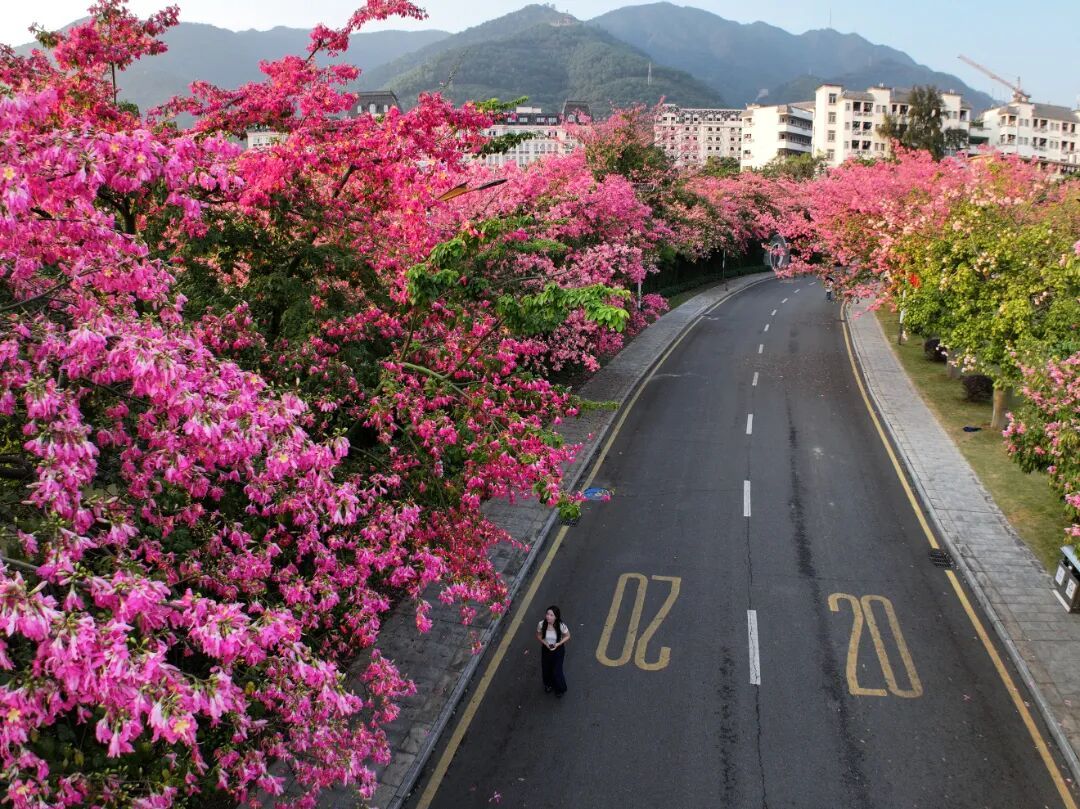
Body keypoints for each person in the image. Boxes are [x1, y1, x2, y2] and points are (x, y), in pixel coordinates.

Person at [537, 605, 570, 697]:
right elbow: (539, 635)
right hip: (546, 649)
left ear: (556, 617)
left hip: (558, 650)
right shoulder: (541, 624)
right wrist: (546, 644)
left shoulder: (561, 626)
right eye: (547, 614)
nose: (548, 616)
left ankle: (559, 689)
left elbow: (567, 636)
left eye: (551, 615)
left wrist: (558, 644)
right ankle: (548, 684)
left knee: (557, 671)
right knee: (546, 668)